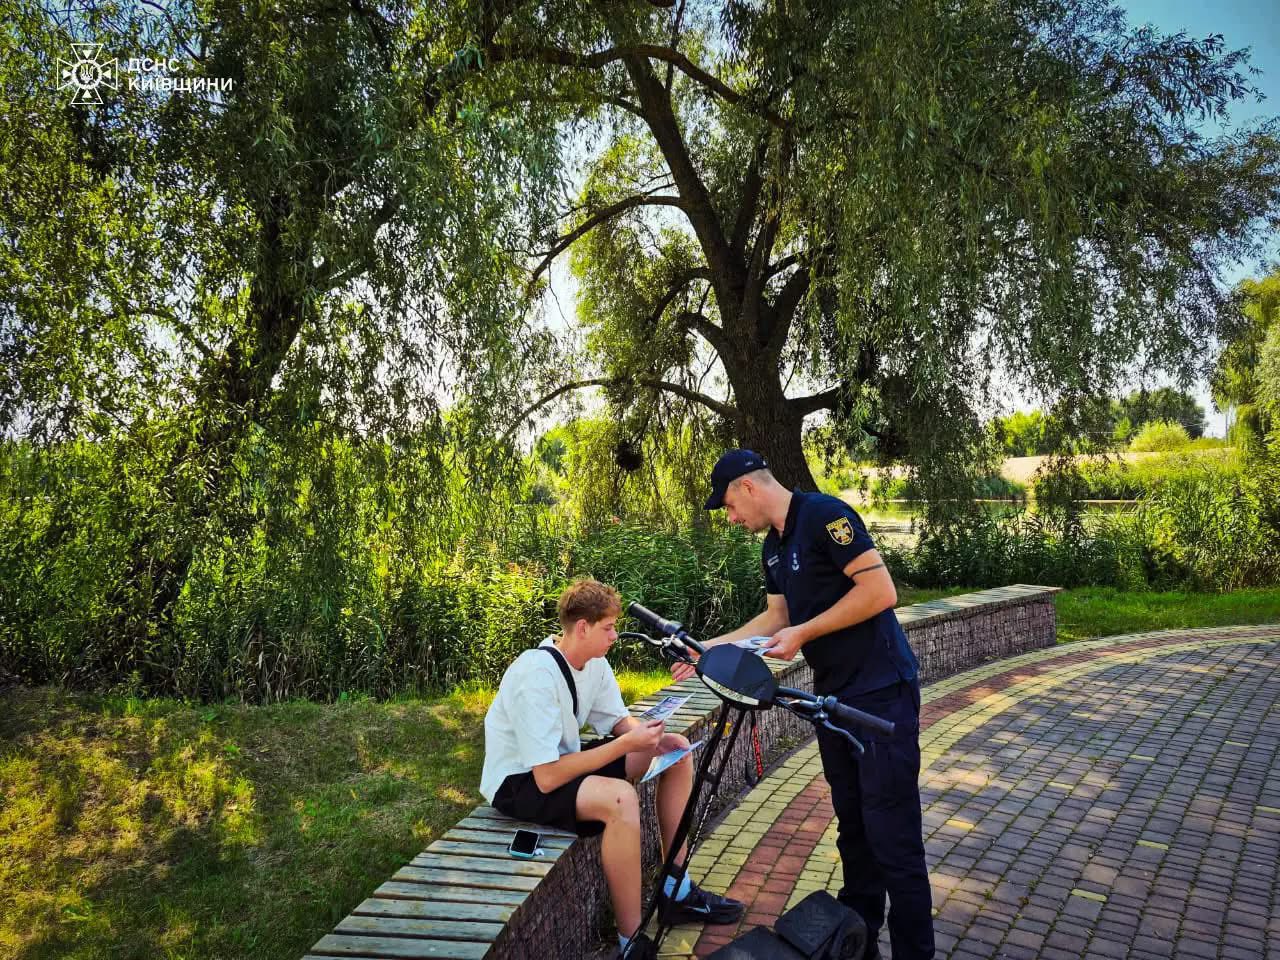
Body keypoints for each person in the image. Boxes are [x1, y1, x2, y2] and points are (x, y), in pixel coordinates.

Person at [673, 450, 934, 959]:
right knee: (854, 830)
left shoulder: (824, 515)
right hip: (833, 700)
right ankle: (859, 942)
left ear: (748, 487)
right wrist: (710, 649)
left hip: (881, 696)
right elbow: (776, 618)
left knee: (893, 838)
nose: (731, 518)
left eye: (729, 506)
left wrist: (805, 632)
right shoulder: (773, 547)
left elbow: (881, 591)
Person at [481, 578, 744, 959]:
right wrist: (625, 745)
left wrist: (650, 738)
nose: (615, 636)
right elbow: (547, 777)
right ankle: (630, 941)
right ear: (582, 627)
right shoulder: (535, 675)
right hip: (520, 782)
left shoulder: (594, 663)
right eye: (608, 628)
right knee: (620, 799)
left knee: (678, 752)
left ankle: (676, 890)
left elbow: (618, 722)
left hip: (561, 764)